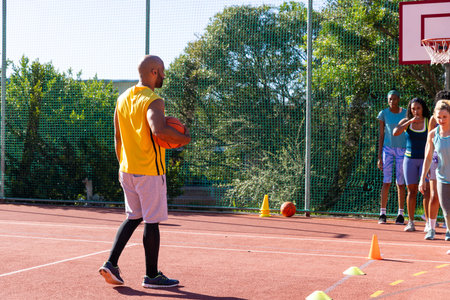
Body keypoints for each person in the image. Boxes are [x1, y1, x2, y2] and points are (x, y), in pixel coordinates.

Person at [98, 55, 191, 288]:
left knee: (133, 217)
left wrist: (124, 165)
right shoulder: (153, 100)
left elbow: (117, 138)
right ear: (154, 71)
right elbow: (159, 130)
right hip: (149, 170)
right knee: (152, 221)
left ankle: (111, 263)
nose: (164, 76)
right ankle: (151, 276)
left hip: (127, 169)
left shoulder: (122, 98)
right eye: (162, 72)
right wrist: (183, 138)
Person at [393, 98, 431, 232]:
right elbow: (395, 132)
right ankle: (411, 222)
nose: (416, 111)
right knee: (412, 191)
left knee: (427, 192)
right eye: (413, 109)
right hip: (409, 160)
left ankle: (428, 223)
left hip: (426, 161)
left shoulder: (429, 121)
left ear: (423, 108)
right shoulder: (406, 122)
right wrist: (409, 121)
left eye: (418, 108)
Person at [419, 99, 450, 242]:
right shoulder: (433, 134)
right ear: (434, 116)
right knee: (446, 211)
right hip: (442, 177)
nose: (441, 120)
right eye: (439, 117)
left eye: (445, 117)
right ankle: (433, 228)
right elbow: (428, 157)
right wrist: (422, 178)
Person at [377, 90, 407, 225]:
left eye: (394, 99)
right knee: (386, 181)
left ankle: (400, 214)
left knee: (400, 183)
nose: (392, 101)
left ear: (398, 100)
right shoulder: (383, 114)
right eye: (390, 99)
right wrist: (379, 157)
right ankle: (382, 213)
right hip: (387, 150)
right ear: (387, 99)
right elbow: (381, 136)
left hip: (402, 149)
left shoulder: (406, 113)